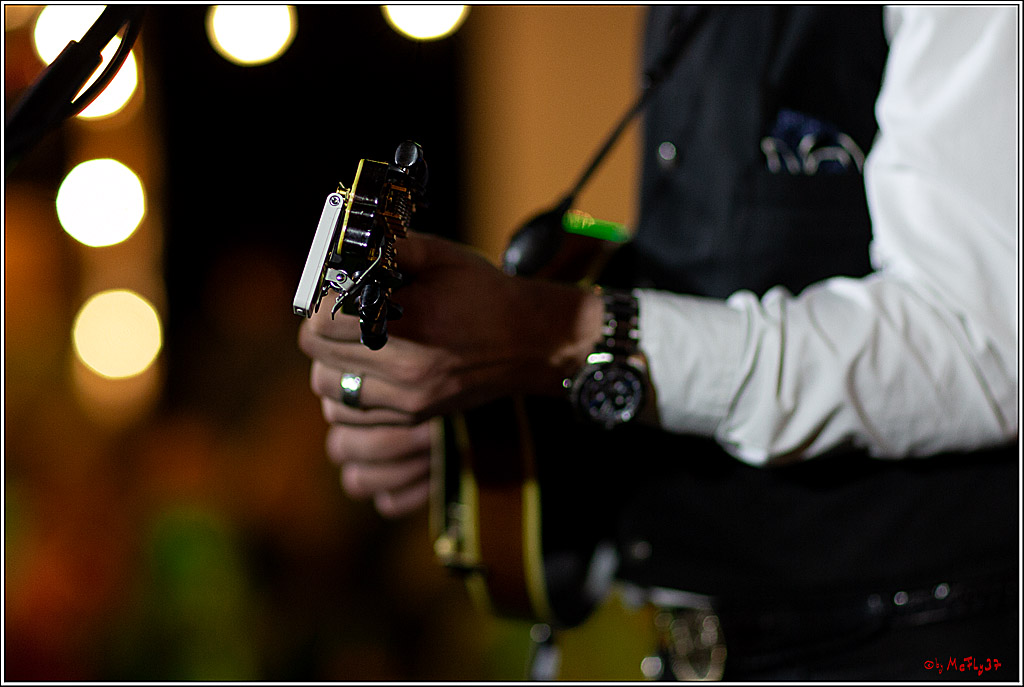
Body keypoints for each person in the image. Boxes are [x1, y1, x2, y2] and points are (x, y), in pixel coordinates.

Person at [299, 5, 1019, 681]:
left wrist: (558, 333)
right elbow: (709, 332)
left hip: (921, 640)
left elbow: (979, 344)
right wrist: (484, 422)